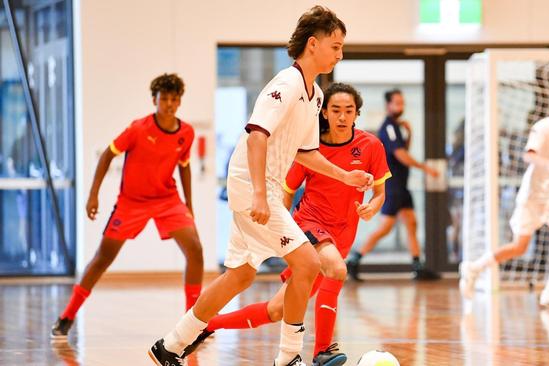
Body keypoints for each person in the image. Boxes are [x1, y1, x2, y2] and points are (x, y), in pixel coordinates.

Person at [148, 7, 373, 366]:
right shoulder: (286, 84)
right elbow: (256, 136)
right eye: (336, 46)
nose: (340, 54)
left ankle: (171, 344)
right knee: (307, 264)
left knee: (239, 276)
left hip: (261, 188)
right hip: (253, 187)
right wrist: (257, 193)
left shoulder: (314, 95)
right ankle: (287, 357)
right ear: (313, 44)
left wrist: (345, 176)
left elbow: (307, 153)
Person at [179, 83, 390, 366]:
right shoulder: (310, 149)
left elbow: (379, 193)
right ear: (324, 113)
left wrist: (372, 207)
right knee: (338, 271)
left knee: (277, 309)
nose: (342, 116)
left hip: (343, 233)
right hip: (310, 223)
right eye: (336, 110)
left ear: (357, 114)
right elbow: (286, 193)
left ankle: (208, 325)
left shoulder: (371, 146)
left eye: (348, 111)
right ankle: (322, 352)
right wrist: (282, 234)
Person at [51, 74, 204, 339]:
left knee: (195, 250)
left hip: (167, 200)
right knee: (103, 258)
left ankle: (192, 323)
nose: (169, 103)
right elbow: (108, 154)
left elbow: (185, 166)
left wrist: (189, 204)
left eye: (174, 99)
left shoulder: (187, 132)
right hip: (131, 203)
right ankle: (67, 315)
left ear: (179, 101)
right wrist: (93, 194)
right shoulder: (138, 129)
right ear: (154, 100)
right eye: (163, 98)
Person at [459, 85, 549, 309]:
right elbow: (528, 155)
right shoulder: (544, 128)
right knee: (519, 247)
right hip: (532, 196)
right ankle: (474, 268)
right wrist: (548, 164)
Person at [346, 89, 439, 281]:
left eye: (402, 103)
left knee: (412, 223)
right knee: (386, 227)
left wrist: (410, 133)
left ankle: (417, 266)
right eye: (397, 103)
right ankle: (354, 260)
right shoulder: (388, 127)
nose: (400, 107)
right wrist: (425, 168)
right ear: (388, 105)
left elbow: (402, 150)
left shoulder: (396, 127)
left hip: (402, 187)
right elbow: (401, 155)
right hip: (393, 186)